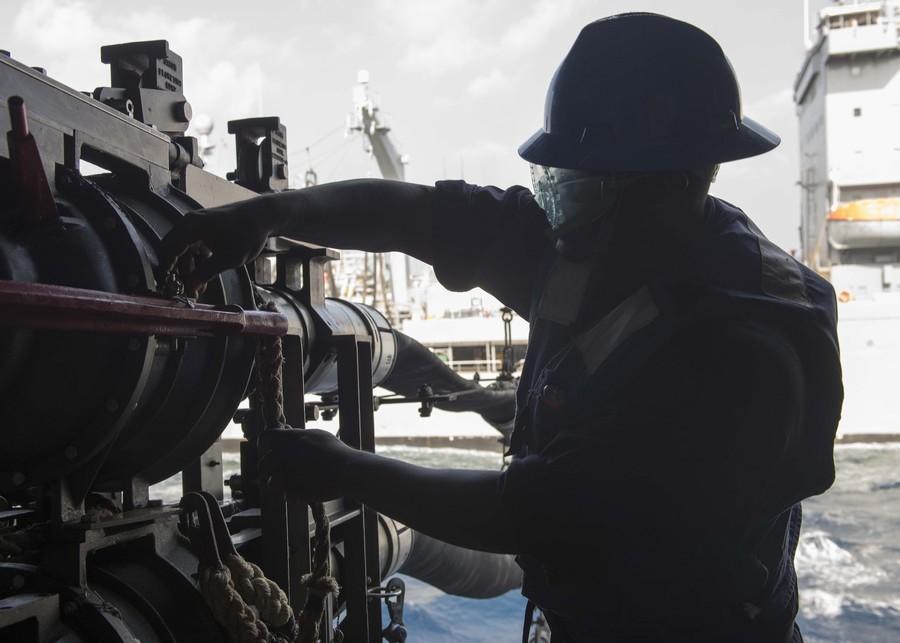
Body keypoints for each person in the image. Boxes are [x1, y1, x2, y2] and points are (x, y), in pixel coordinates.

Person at [160, 13, 842, 642]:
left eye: (572, 187)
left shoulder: (749, 347)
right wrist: (270, 215)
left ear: (669, 185)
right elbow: (418, 216)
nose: (553, 207)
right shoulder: (596, 239)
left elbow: (544, 514)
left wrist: (345, 470)